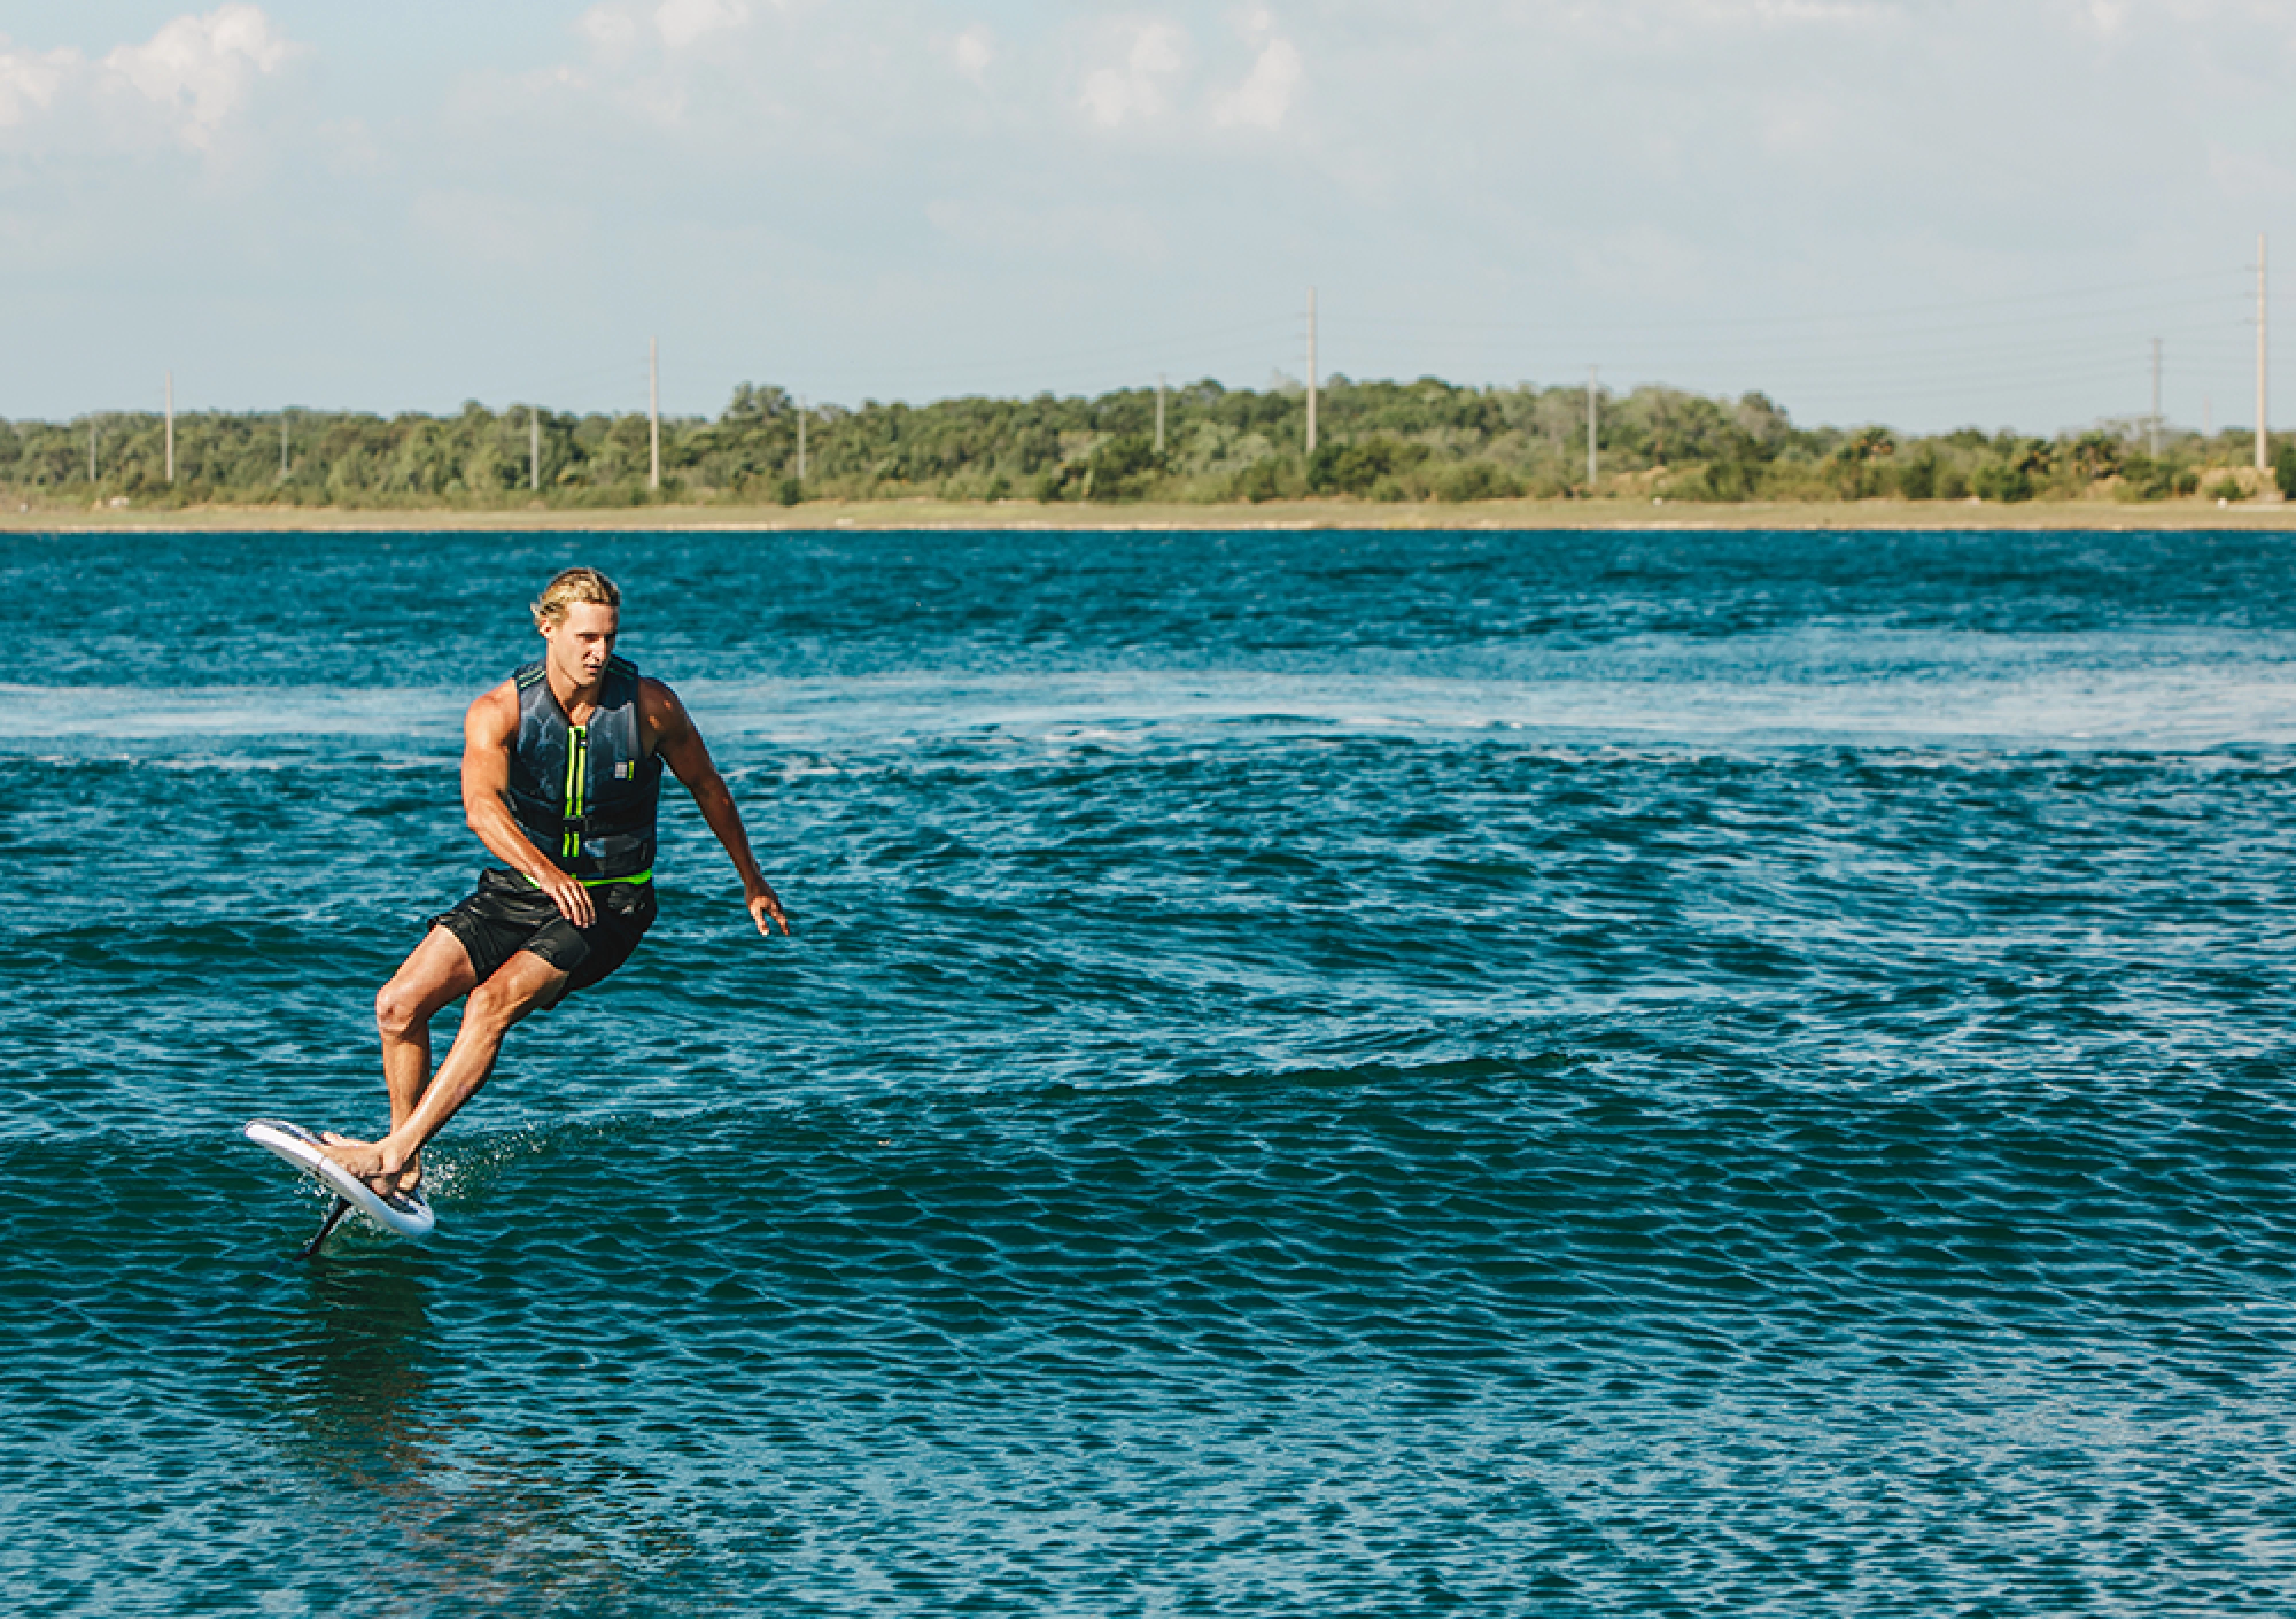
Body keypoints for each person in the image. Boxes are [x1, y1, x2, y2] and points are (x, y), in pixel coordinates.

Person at [320, 566, 788, 1197]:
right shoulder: (499, 711)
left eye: (610, 638)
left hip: (611, 903)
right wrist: (541, 871)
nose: (600, 653)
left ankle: (392, 1153)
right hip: (521, 888)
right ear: (548, 628)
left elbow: (708, 787)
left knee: (490, 1005)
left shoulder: (651, 707)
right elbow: (481, 806)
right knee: (397, 1006)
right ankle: (403, 1158)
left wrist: (752, 881)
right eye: (586, 638)